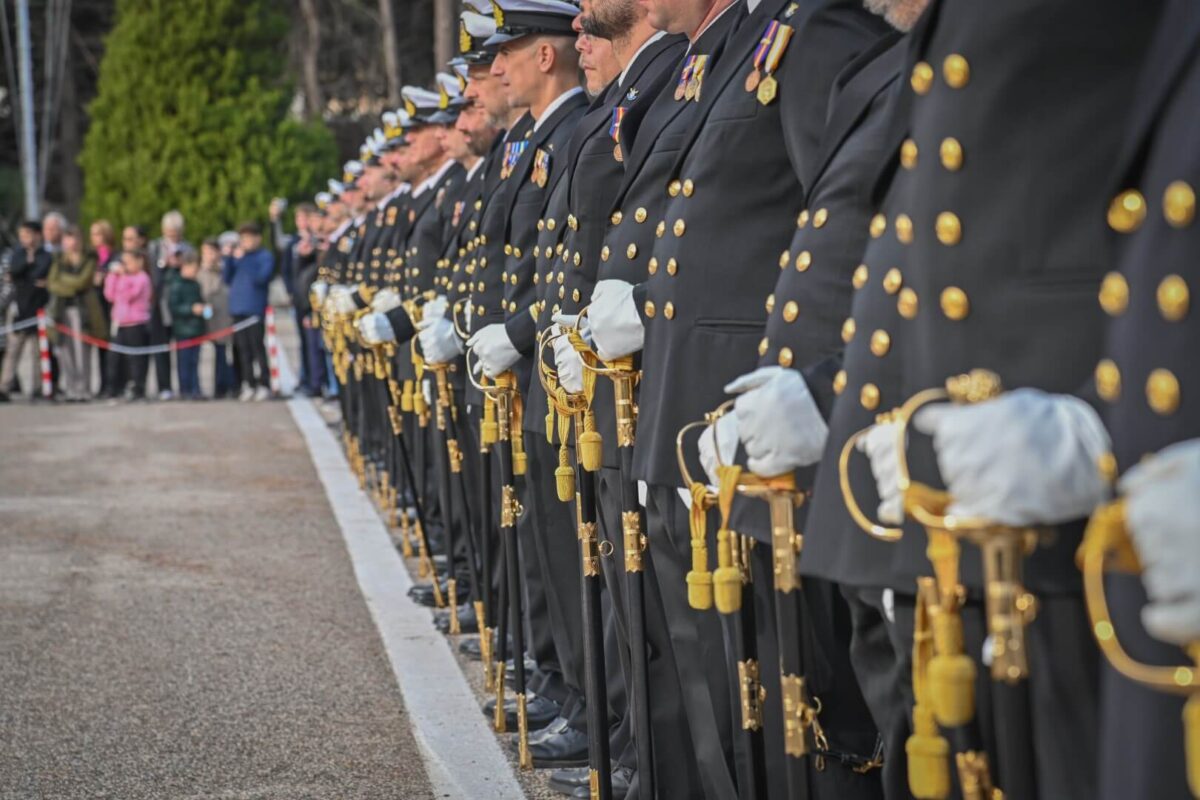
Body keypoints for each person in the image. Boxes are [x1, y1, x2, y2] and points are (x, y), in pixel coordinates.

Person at [46, 226, 106, 401]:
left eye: (74, 239)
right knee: (65, 350)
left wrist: (63, 282)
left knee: (82, 350)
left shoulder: (89, 257)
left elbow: (82, 282)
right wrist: (67, 286)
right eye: (67, 239)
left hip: (82, 310)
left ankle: (83, 389)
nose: (70, 243)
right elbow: (52, 283)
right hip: (61, 309)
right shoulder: (58, 259)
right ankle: (71, 388)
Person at [0, 221, 53, 402]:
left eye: (28, 235)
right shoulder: (18, 253)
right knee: (13, 350)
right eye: (22, 235)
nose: (25, 239)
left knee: (38, 352)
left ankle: (38, 388)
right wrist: (27, 265)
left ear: (37, 235)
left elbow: (42, 271)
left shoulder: (45, 255)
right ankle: (4, 387)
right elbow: (14, 271)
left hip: (37, 308)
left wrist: (26, 273)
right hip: (19, 309)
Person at [223, 221, 275, 401]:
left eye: (248, 238)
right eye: (242, 238)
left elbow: (261, 278)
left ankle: (264, 383)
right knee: (242, 349)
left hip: (254, 309)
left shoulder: (264, 257)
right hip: (237, 308)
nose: (245, 242)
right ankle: (248, 383)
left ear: (258, 239)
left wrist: (244, 259)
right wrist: (229, 258)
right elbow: (227, 278)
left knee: (257, 348)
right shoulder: (238, 258)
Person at [147, 210, 193, 400]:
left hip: (182, 303)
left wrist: (182, 265)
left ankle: (187, 385)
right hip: (160, 303)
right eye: (169, 232)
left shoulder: (188, 248)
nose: (173, 236)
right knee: (161, 347)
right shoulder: (155, 247)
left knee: (184, 347)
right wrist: (163, 263)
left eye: (176, 232)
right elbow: (151, 274)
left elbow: (193, 272)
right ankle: (164, 386)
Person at [103, 249, 154, 401]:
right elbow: (110, 295)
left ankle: (138, 388)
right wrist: (112, 276)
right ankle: (114, 387)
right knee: (115, 358)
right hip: (120, 323)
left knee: (136, 359)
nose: (124, 266)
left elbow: (129, 295)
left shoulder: (142, 278)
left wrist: (123, 276)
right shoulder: (120, 277)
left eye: (128, 262)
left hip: (137, 323)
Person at [197, 238, 236, 398]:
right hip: (206, 320)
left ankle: (224, 387)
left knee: (223, 354)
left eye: (213, 252)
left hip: (223, 319)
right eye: (206, 252)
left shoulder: (225, 271)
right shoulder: (199, 274)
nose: (210, 256)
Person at [169, 251, 207, 400]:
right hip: (183, 330)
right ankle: (185, 389)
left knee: (195, 361)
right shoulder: (177, 284)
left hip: (196, 329)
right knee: (184, 362)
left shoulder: (196, 284)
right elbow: (174, 306)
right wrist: (190, 309)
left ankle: (195, 388)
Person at [90, 220, 119, 397]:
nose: (94, 238)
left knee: (113, 348)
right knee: (101, 347)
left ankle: (113, 384)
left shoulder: (115, 256)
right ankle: (103, 384)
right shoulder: (92, 257)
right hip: (97, 306)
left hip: (112, 307)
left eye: (97, 234)